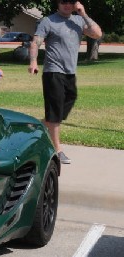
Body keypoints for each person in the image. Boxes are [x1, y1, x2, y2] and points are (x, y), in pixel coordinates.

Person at [28, 0, 102, 164]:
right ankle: (58, 150)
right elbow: (36, 42)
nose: (67, 5)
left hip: (70, 72)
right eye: (63, 2)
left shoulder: (78, 20)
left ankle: (40, 124)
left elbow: (97, 34)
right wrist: (33, 61)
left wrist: (83, 14)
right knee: (55, 111)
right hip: (53, 71)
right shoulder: (48, 21)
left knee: (69, 100)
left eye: (70, 2)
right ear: (58, 4)